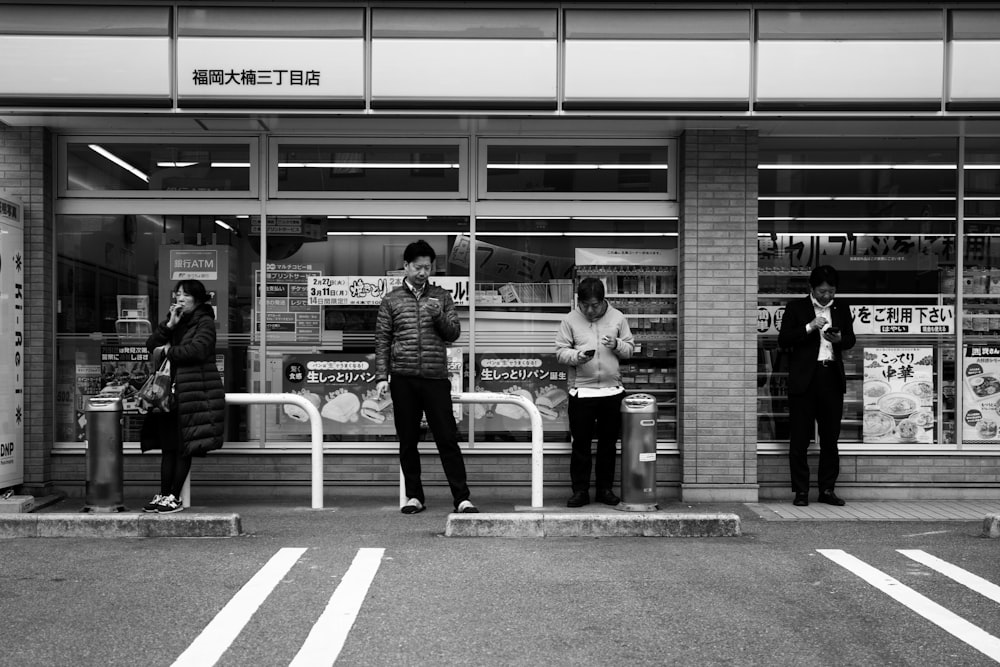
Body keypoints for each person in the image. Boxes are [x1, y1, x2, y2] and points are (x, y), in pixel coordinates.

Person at [374, 240, 478, 515]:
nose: (423, 272)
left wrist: (439, 317)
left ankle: (462, 498)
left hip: (435, 377)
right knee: (408, 441)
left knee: (447, 438)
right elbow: (383, 339)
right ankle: (414, 496)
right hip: (403, 377)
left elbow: (453, 333)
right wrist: (381, 376)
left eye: (427, 267)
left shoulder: (441, 297)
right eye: (418, 267)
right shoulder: (392, 299)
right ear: (406, 266)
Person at [140, 279, 226, 513]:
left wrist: (169, 350)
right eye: (177, 294)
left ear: (197, 299)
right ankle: (163, 495)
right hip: (168, 393)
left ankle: (173, 496)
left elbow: (198, 351)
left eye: (185, 295)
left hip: (192, 392)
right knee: (168, 447)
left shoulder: (205, 322)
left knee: (182, 447)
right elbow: (151, 345)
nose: (179, 298)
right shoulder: (176, 322)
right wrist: (168, 325)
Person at [778, 265, 856, 507]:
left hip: (830, 376)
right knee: (800, 439)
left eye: (831, 291)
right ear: (812, 288)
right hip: (803, 380)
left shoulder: (841, 308)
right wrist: (810, 326)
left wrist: (840, 339)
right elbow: (784, 340)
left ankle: (827, 490)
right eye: (822, 291)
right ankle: (801, 492)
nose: (827, 296)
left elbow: (851, 339)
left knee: (830, 439)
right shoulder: (795, 308)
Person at [555, 277, 635, 507]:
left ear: (604, 301)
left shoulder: (618, 317)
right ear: (579, 302)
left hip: (612, 391)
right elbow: (560, 352)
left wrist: (617, 345)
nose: (590, 310)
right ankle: (580, 491)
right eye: (585, 305)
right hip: (582, 391)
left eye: (595, 305)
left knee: (608, 445)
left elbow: (630, 348)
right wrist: (576, 356)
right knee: (580, 445)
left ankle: (605, 490)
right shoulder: (570, 320)